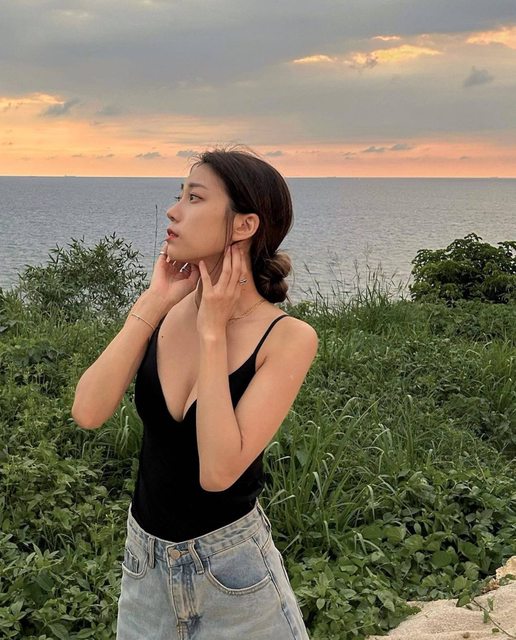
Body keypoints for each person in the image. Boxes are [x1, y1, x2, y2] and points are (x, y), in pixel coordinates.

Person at [72, 147, 318, 639]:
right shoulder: (167, 309)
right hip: (145, 569)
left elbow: (218, 472)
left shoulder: (288, 338)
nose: (173, 210)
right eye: (179, 195)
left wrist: (212, 331)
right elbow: (88, 410)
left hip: (235, 578)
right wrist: (153, 302)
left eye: (194, 198)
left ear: (244, 225)